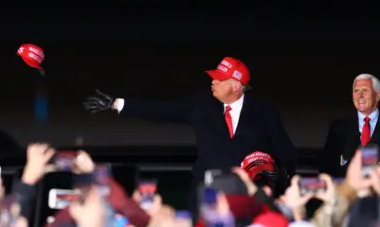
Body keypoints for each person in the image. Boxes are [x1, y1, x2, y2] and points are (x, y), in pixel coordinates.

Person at [83, 57, 296, 211]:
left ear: (236, 86)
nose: (213, 81)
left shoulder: (264, 113)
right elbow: (164, 111)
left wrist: (280, 190)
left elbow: (285, 153)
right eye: (213, 77)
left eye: (220, 79)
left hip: (247, 195)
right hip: (206, 191)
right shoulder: (202, 105)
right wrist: (116, 104)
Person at [319, 73, 380, 178]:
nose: (360, 96)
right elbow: (327, 167)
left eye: (365, 91)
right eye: (356, 91)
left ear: (378, 94)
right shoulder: (339, 127)